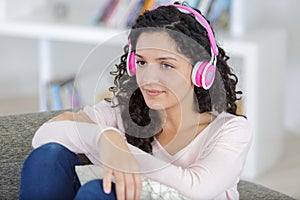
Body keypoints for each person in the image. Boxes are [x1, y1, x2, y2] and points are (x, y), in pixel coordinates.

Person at [19, 2, 252, 200]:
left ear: (201, 72)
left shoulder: (230, 130)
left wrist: (125, 155)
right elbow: (44, 137)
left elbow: (197, 188)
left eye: (166, 65)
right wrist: (107, 140)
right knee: (47, 158)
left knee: (98, 193)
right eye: (141, 62)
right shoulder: (124, 112)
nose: (149, 78)